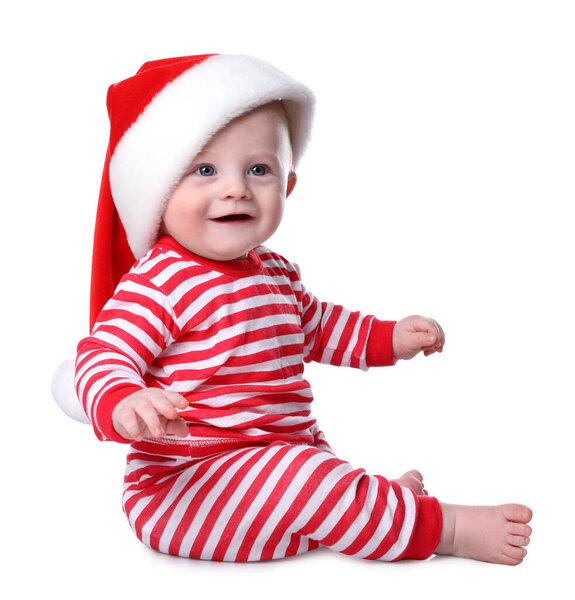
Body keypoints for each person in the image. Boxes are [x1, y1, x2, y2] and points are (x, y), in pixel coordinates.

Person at [54, 54, 532, 565]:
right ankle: (445, 527)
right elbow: (102, 354)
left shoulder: (276, 273)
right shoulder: (159, 281)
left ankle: (369, 509)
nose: (235, 187)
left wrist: (391, 337)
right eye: (205, 170)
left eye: (259, 169)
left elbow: (322, 327)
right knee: (308, 481)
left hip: (281, 467)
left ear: (288, 185)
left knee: (312, 473)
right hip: (186, 488)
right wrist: (125, 399)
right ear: (158, 188)